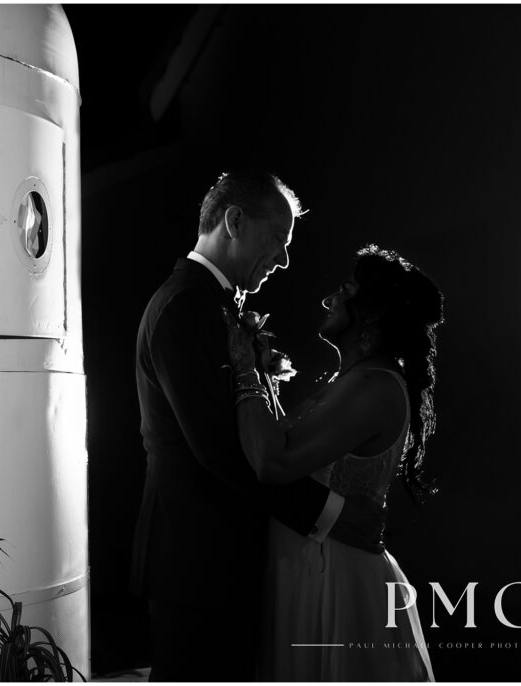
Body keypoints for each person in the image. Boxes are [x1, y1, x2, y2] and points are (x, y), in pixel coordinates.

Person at [130, 171, 387, 682]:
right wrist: (331, 514)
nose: (284, 258)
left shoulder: (212, 304)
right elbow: (220, 451)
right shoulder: (186, 306)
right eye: (278, 239)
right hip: (197, 563)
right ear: (234, 221)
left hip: (220, 560)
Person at [225, 244, 444, 681]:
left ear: (374, 312)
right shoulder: (350, 380)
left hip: (336, 579)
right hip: (309, 564)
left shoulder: (374, 388)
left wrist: (245, 368)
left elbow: (272, 464)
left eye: (345, 291)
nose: (329, 299)